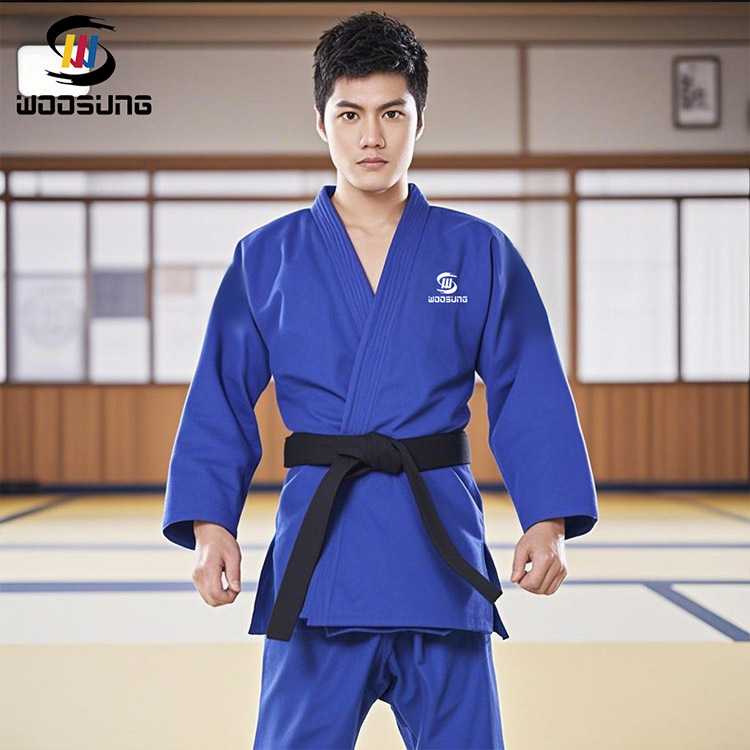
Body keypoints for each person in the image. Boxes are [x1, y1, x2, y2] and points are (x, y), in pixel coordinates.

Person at [162, 10, 598, 750]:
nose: (372, 137)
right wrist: (211, 525)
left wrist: (548, 519)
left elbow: (530, 388)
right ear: (321, 122)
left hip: (438, 557)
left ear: (419, 120)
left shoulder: (478, 251)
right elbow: (219, 396)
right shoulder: (266, 257)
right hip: (319, 560)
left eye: (393, 114)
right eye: (351, 114)